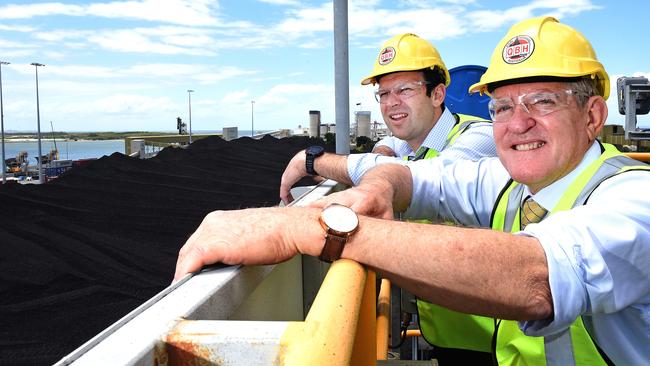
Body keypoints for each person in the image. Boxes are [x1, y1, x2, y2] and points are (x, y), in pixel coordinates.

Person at [175, 17, 650, 365]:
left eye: (543, 101)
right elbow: (413, 176)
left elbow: (537, 276)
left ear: (592, 116)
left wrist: (311, 225)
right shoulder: (510, 180)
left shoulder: (633, 199)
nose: (517, 122)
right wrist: (377, 185)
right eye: (503, 107)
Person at [279, 33, 496, 204]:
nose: (391, 102)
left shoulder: (481, 138)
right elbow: (391, 142)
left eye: (404, 90)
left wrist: (312, 160)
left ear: (437, 95)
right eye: (384, 94)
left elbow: (422, 180)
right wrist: (381, 150)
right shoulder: (409, 140)